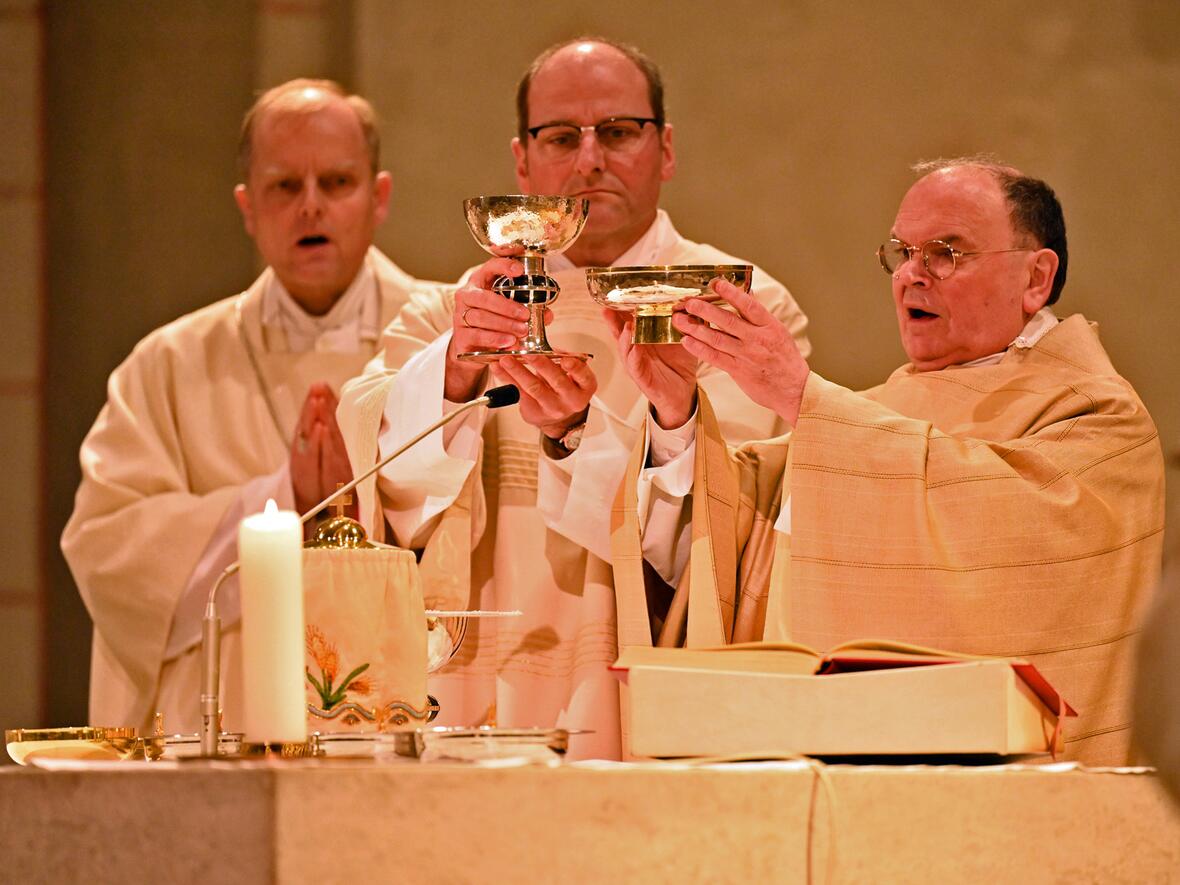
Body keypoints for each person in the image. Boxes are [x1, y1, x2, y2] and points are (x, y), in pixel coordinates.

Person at [338, 37, 811, 759]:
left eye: (619, 132)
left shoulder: (733, 306)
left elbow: (731, 539)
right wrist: (453, 377)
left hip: (638, 702)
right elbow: (381, 500)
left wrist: (578, 435)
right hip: (468, 697)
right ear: (522, 162)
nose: (590, 159)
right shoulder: (452, 314)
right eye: (561, 136)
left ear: (668, 149)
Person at [622, 158, 1164, 765]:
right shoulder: (866, 416)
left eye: (946, 253)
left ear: (1036, 278)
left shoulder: (1095, 415)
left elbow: (1008, 543)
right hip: (805, 765)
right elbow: (744, 541)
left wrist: (805, 400)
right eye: (903, 252)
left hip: (991, 788)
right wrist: (676, 416)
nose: (911, 275)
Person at [61, 79, 429, 735]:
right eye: (285, 186)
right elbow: (105, 548)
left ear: (379, 198)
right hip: (228, 730)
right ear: (247, 208)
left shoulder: (451, 341)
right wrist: (280, 500)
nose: (310, 206)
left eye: (337, 182)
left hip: (413, 723)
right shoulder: (168, 364)